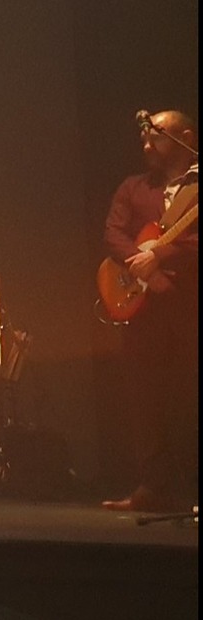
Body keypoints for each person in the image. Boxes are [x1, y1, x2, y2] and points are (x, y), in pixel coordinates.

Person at [100, 109, 198, 512]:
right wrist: (142, 266)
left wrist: (161, 257)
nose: (146, 145)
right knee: (145, 398)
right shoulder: (133, 187)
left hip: (188, 301)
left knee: (188, 393)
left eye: (155, 137)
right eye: (144, 138)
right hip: (143, 307)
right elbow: (113, 233)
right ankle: (153, 486)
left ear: (184, 137)